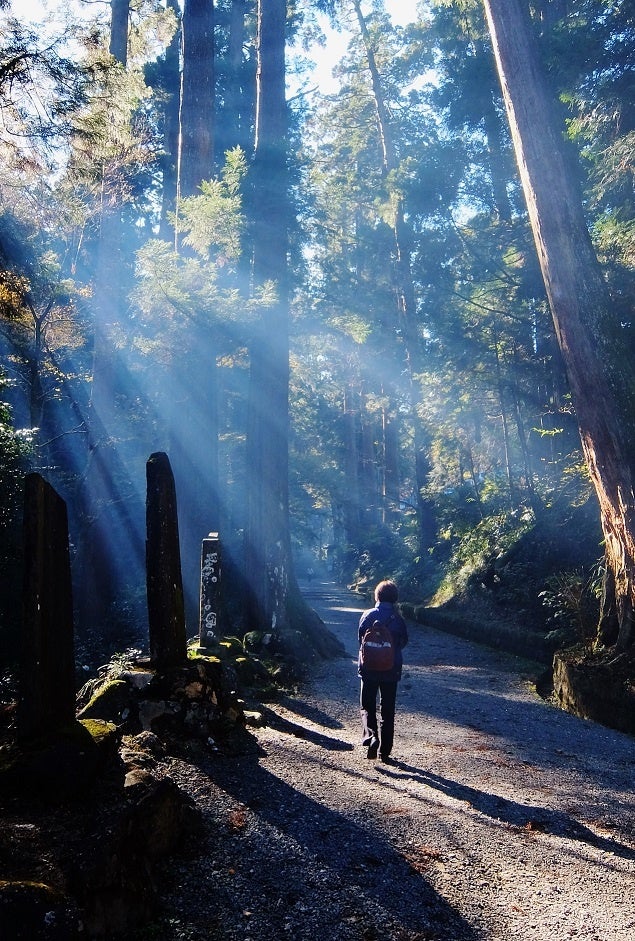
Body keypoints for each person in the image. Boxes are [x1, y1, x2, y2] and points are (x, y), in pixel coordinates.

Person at [358, 579, 408, 763]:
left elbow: (360, 640)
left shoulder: (367, 615)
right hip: (391, 669)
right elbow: (403, 642)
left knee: (367, 706)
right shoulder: (398, 619)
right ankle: (385, 751)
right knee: (388, 709)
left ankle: (372, 737)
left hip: (369, 668)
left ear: (377, 595)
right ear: (394, 598)